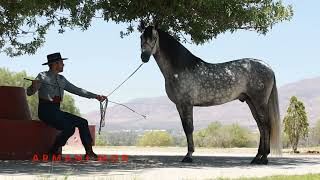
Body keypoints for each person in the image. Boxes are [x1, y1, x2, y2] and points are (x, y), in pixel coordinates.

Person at [26, 52, 107, 159]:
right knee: (69, 127)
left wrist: (96, 96)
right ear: (55, 64)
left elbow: (78, 90)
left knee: (82, 123)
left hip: (56, 110)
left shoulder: (62, 79)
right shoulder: (42, 76)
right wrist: (33, 86)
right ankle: (54, 150)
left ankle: (88, 152)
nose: (63, 65)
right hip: (45, 111)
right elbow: (29, 92)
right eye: (61, 63)